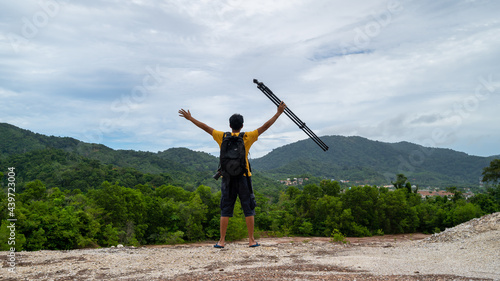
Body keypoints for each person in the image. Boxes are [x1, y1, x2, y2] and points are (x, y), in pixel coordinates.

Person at [178, 101, 286, 248]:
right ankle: (251, 240)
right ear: (242, 125)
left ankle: (221, 241)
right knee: (248, 208)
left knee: (226, 209)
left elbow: (206, 128)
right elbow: (265, 127)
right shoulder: (247, 136)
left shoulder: (222, 136)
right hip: (244, 177)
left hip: (227, 178)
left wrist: (190, 118)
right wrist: (278, 113)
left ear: (230, 125)